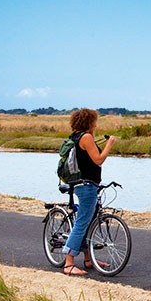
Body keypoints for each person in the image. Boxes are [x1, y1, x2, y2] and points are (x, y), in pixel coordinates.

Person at [60, 108, 116, 276]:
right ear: (89, 122)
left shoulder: (76, 136)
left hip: (84, 184)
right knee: (82, 222)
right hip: (86, 186)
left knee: (88, 222)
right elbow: (98, 160)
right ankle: (69, 263)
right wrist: (109, 144)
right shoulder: (86, 137)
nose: (96, 124)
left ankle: (88, 259)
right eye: (94, 121)